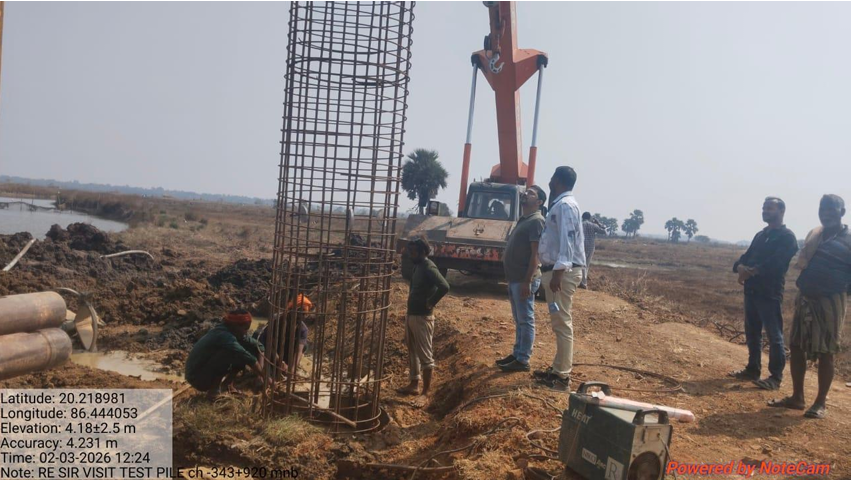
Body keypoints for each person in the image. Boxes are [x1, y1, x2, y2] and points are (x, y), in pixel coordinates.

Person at [769, 195, 850, 419]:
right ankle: (797, 398)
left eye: (832, 209)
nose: (826, 214)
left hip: (831, 302)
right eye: (823, 209)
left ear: (842, 212)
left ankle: (820, 403)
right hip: (805, 298)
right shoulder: (815, 234)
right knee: (796, 346)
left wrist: (839, 290)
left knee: (826, 351)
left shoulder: (849, 240)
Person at [729, 197, 798, 390]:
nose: (765, 211)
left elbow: (776, 264)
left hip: (769, 293)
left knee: (774, 335)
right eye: (764, 208)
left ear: (782, 211)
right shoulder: (761, 235)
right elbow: (744, 258)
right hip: (751, 291)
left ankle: (775, 378)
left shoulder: (787, 237)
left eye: (770, 208)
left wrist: (750, 271)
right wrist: (740, 267)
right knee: (752, 332)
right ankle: (752, 369)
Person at [534, 166, 585, 392]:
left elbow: (568, 241)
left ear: (557, 180)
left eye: (552, 178)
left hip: (562, 274)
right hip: (557, 272)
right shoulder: (561, 205)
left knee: (562, 323)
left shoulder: (565, 206)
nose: (549, 182)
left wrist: (558, 273)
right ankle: (557, 369)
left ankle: (562, 377)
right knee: (558, 322)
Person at [496, 185, 547, 372]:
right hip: (515, 278)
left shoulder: (536, 221)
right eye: (526, 192)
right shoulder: (524, 219)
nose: (525, 194)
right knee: (519, 320)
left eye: (531, 193)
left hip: (524, 279)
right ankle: (517, 353)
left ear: (539, 202)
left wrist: (527, 280)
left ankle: (523, 359)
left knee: (526, 320)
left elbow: (535, 254)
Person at [396, 238, 450, 407]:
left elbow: (444, 286)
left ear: (423, 252)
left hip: (422, 317)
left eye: (413, 252)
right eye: (410, 252)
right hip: (412, 314)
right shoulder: (417, 266)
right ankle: (414, 384)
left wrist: (431, 302)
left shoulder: (428, 267)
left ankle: (425, 393)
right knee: (412, 350)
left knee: (425, 356)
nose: (410, 255)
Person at [185, 309, 266, 399]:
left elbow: (259, 346)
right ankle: (213, 392)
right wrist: (265, 376)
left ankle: (227, 385)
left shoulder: (236, 332)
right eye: (245, 329)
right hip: (197, 377)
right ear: (235, 326)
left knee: (244, 348)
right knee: (234, 352)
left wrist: (260, 375)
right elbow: (247, 357)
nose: (246, 332)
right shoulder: (223, 335)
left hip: (205, 371)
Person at [255, 293, 313, 376]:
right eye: (299, 313)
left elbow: (299, 351)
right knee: (258, 335)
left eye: (304, 314)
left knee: (305, 345)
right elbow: (270, 344)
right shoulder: (277, 320)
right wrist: (279, 361)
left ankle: (286, 365)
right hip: (270, 348)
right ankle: (261, 368)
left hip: (285, 350)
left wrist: (293, 369)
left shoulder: (303, 329)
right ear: (290, 310)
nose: (301, 316)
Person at [580, 212, 607, 289]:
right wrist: (598, 223)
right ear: (589, 218)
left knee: (580, 264)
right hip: (591, 247)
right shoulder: (593, 225)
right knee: (586, 265)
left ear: (582, 217)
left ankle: (581, 282)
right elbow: (604, 231)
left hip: (581, 246)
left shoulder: (580, 224)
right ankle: (583, 282)